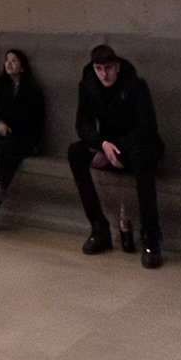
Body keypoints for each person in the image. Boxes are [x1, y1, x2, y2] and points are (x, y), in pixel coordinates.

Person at [68, 43, 164, 267]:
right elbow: (82, 124)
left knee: (142, 160)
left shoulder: (135, 86)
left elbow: (146, 127)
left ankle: (151, 238)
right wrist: (101, 144)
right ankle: (99, 228)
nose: (104, 74)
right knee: (75, 153)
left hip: (138, 145)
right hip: (108, 145)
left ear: (117, 67)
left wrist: (116, 149)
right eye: (99, 69)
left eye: (108, 68)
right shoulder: (89, 85)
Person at [0, 48, 44, 235]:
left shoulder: (32, 90)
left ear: (22, 67)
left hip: (21, 138)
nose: (9, 63)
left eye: (14, 60)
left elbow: (30, 119)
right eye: (7, 60)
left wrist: (2, 116)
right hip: (0, 135)